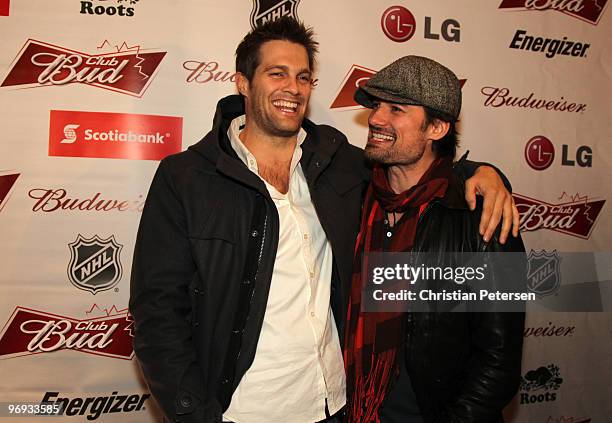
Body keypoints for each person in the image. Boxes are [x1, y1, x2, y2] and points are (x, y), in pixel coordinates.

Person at [130, 18, 517, 423]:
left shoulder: (341, 166)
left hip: (336, 406)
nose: (293, 88)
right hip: (243, 411)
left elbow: (502, 356)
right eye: (276, 73)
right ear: (242, 82)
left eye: (303, 77)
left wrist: (484, 173)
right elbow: (157, 311)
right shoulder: (187, 177)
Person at [343, 56, 526, 423]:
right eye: (376, 106)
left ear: (437, 128)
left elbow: (498, 363)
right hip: (353, 411)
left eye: (396, 109)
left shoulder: (486, 218)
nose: (376, 119)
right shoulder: (352, 196)